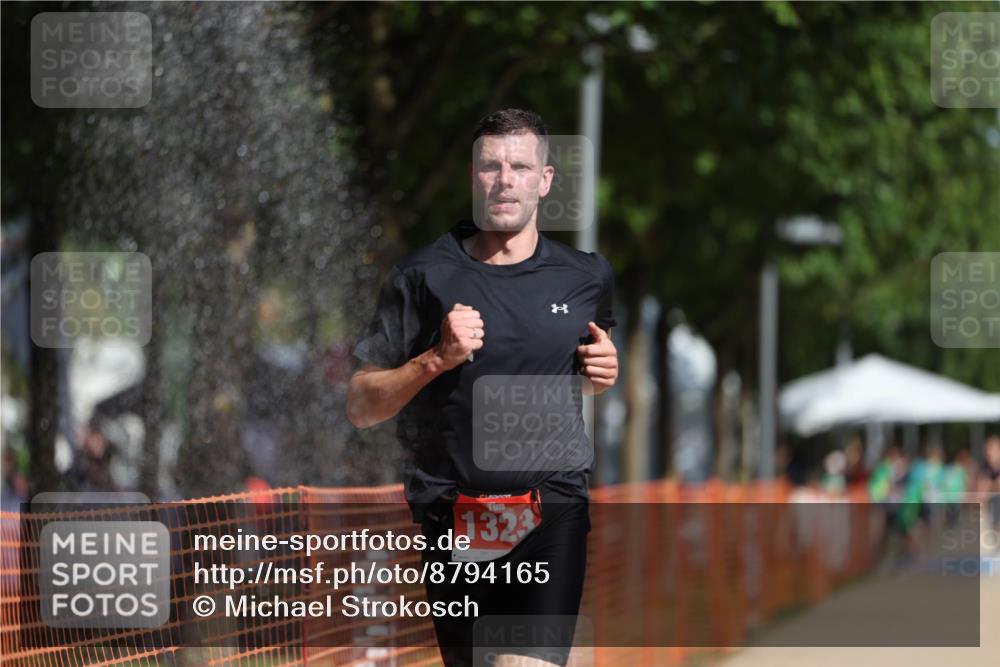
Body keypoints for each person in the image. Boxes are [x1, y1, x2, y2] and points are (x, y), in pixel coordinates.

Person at [347, 109, 618, 667]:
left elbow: (575, 378)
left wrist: (600, 374)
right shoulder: (422, 276)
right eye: (491, 166)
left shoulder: (586, 277)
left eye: (520, 167)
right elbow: (360, 404)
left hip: (552, 508)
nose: (504, 180)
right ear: (473, 177)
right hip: (458, 517)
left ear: (545, 180)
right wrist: (435, 358)